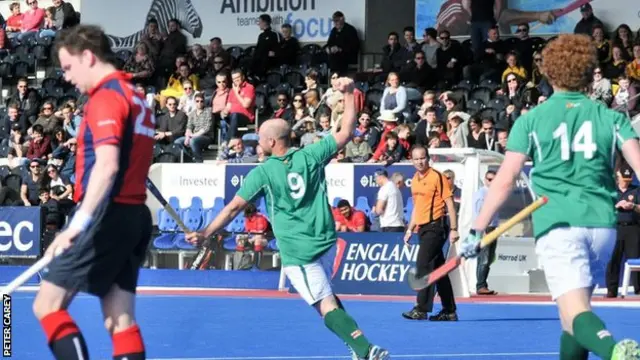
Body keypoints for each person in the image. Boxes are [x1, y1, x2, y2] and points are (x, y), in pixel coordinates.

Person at [460, 34, 640, 360]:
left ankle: (615, 351)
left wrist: (476, 229)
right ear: (588, 72)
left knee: (577, 314)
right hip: (602, 226)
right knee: (572, 320)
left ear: (549, 73)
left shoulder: (531, 120)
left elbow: (503, 181)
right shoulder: (613, 118)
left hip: (558, 225)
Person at [186, 78, 390, 360]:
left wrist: (206, 232)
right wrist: (348, 93)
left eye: (260, 138)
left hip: (299, 251)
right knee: (326, 296)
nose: (258, 143)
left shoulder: (263, 171)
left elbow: (234, 208)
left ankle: (367, 350)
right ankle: (356, 347)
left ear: (271, 142)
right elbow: (346, 132)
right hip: (326, 242)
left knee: (324, 304)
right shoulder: (311, 155)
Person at [32, 25, 155, 360]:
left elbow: (108, 166)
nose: (68, 78)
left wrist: (76, 226)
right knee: (120, 319)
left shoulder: (107, 97)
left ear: (87, 56)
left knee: (47, 304)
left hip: (107, 212)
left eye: (69, 67)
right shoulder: (136, 96)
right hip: (135, 214)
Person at [402, 145, 459, 321]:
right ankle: (449, 311)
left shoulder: (437, 177)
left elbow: (449, 203)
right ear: (411, 161)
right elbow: (417, 207)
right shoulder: (415, 179)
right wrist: (410, 229)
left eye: (422, 158)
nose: (420, 161)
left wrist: (454, 229)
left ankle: (422, 308)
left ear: (428, 158)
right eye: (416, 159)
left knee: (423, 265)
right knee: (439, 271)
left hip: (436, 226)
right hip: (423, 228)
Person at [605, 164, 640, 298]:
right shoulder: (611, 191)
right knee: (613, 259)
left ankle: (638, 288)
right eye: (624, 178)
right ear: (618, 176)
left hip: (633, 228)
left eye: (628, 179)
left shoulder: (636, 190)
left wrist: (633, 206)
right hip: (615, 227)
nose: (626, 181)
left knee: (635, 258)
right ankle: (611, 289)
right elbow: (603, 208)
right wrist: (616, 207)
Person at [472, 170, 499, 295]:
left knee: (489, 258)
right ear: (485, 179)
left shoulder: (494, 193)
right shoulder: (481, 194)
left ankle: (483, 284)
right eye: (489, 179)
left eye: (493, 179)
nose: (491, 182)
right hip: (485, 228)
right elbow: (478, 213)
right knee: (484, 258)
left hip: (493, 228)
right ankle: (480, 285)